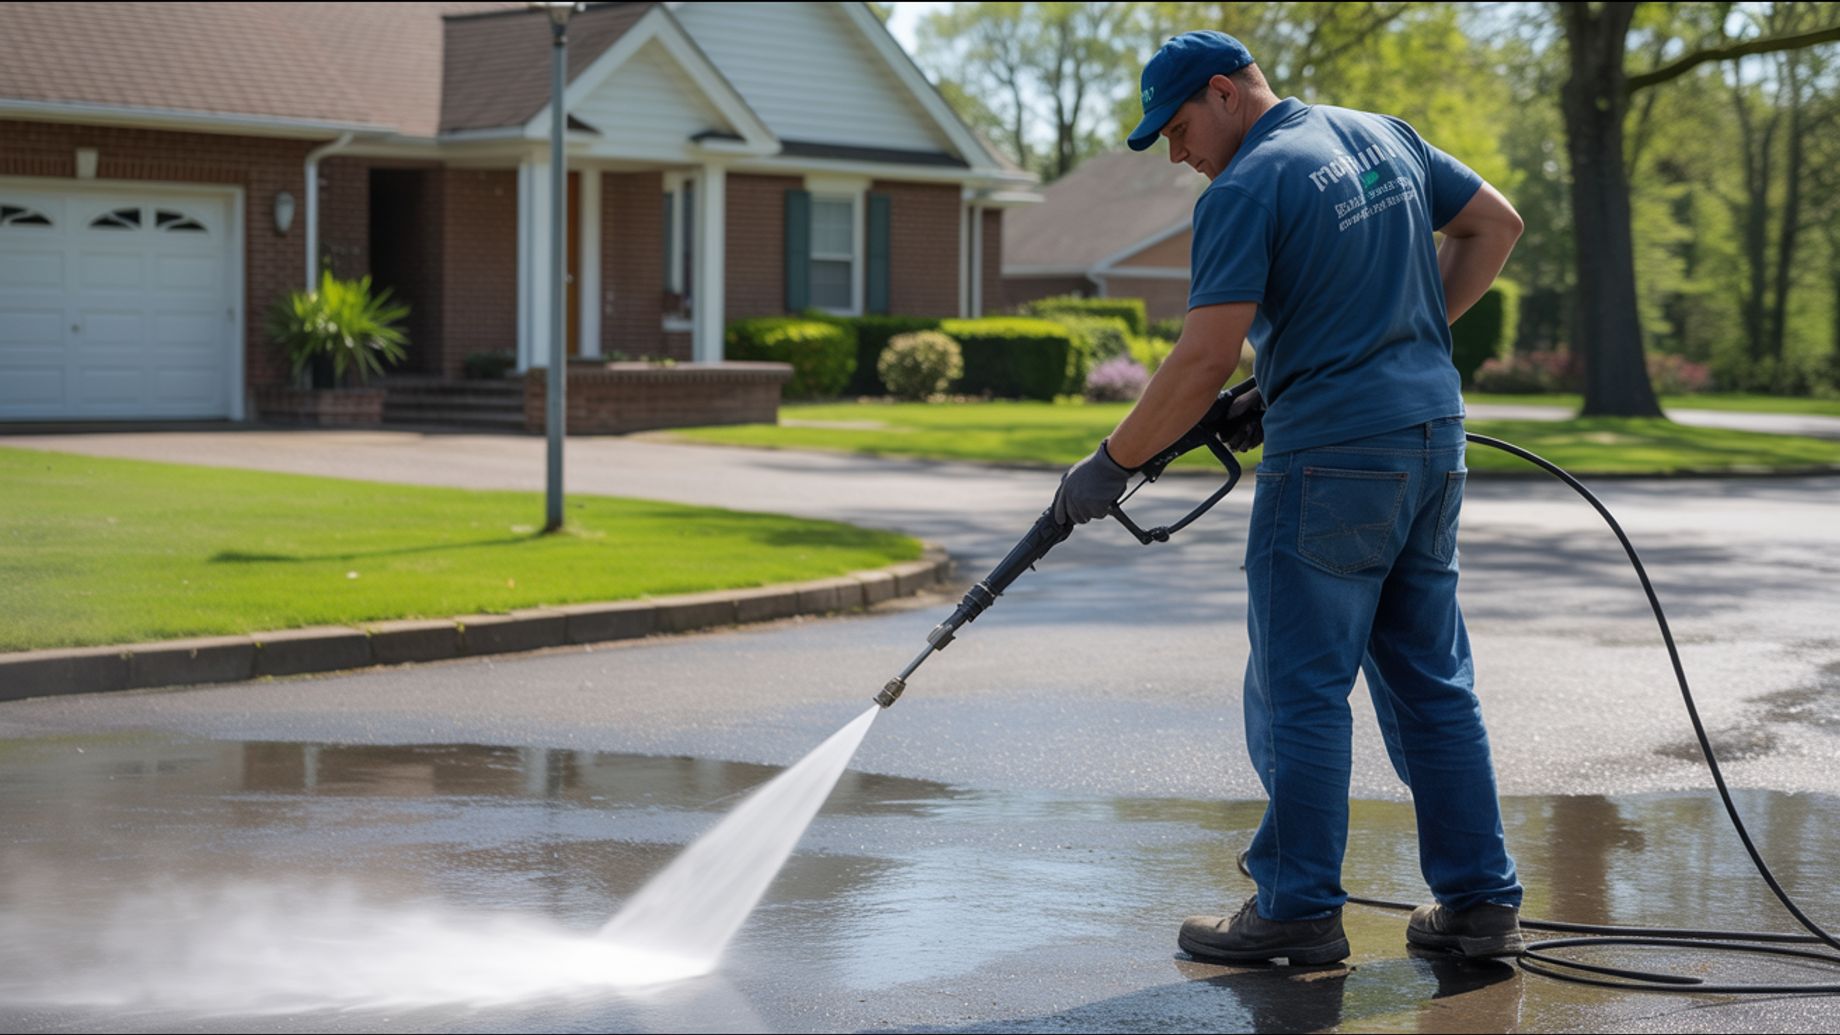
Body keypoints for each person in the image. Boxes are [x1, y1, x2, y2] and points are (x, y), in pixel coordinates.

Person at [1051, 30, 1528, 964]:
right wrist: (1388, 340)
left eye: (1180, 128)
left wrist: (1108, 465)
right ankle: (1479, 904)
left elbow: (1203, 359)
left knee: (1299, 691)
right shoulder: (1382, 136)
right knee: (1434, 683)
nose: (1180, 154)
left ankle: (1297, 911)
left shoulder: (1247, 187)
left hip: (1334, 462)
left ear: (1225, 94)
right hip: (1434, 441)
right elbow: (1496, 224)